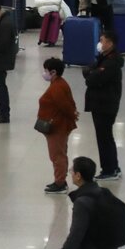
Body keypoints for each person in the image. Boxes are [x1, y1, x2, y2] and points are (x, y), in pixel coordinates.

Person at [29, 57, 81, 194]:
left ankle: (60, 183)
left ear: (53, 72)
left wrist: (73, 115)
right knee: (58, 154)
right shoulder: (58, 83)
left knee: (57, 155)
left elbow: (65, 106)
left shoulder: (57, 87)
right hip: (58, 125)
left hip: (58, 127)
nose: (44, 73)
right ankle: (59, 180)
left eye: (46, 70)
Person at [83, 29, 124, 180]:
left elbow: (94, 79)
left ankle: (109, 169)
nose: (99, 43)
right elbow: (89, 70)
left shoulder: (111, 62)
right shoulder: (103, 58)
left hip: (105, 105)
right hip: (100, 104)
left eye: (102, 41)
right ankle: (112, 166)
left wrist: (91, 75)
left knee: (104, 137)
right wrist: (91, 73)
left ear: (110, 43)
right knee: (104, 137)